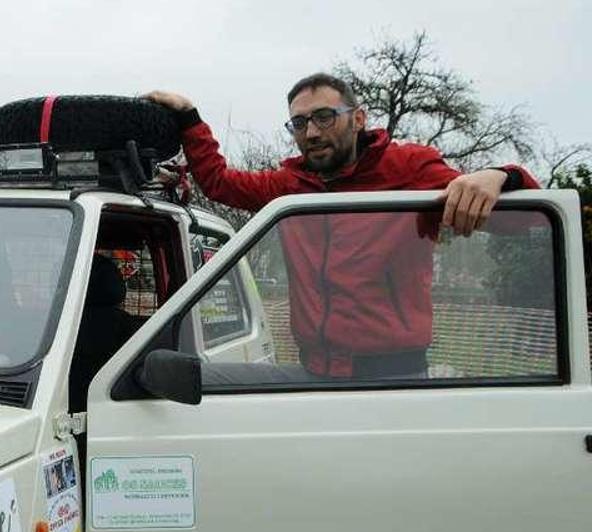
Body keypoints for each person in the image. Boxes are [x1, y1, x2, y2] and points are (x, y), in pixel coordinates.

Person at [143, 73, 540, 379]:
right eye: (299, 124)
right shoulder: (291, 185)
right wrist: (189, 117)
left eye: (324, 117)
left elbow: (523, 221)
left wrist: (502, 176)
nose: (312, 133)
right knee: (201, 388)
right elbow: (220, 183)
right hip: (314, 370)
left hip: (394, 373)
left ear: (359, 119)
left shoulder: (409, 169)